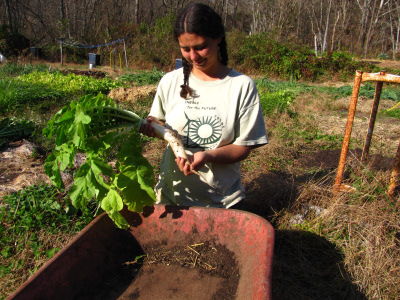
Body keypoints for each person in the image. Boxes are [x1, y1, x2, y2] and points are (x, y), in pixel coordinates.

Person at [140, 3, 268, 209]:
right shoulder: (170, 81)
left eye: (200, 47)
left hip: (222, 202)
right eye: (185, 49)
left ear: (218, 38)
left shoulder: (241, 86)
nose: (193, 56)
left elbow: (244, 146)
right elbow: (159, 124)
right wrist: (152, 128)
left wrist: (207, 156)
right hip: (172, 199)